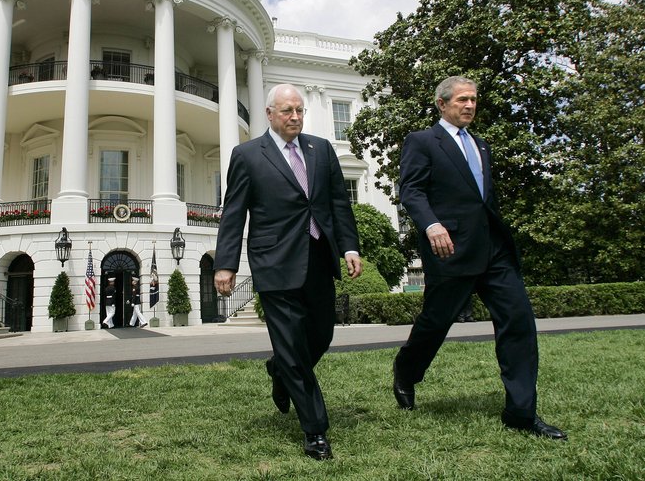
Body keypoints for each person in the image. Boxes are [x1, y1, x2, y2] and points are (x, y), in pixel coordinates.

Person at [392, 75, 566, 440]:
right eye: (462, 100)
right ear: (442, 104)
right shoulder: (423, 141)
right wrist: (431, 225)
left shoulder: (482, 145)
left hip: (494, 250)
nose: (470, 106)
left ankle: (521, 413)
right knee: (436, 323)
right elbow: (411, 189)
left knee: (518, 321)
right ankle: (407, 371)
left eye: (473, 100)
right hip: (450, 248)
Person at [214, 83, 362, 460]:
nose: (295, 116)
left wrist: (348, 246)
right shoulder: (247, 155)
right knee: (293, 344)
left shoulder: (321, 149)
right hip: (274, 262)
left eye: (299, 110)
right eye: (287, 111)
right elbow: (234, 212)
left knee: (322, 334)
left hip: (317, 257)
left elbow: (337, 204)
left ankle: (280, 371)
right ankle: (315, 431)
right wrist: (226, 264)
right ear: (269, 114)